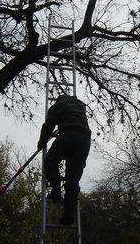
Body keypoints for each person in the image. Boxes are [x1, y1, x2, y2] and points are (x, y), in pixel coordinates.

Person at [37, 94, 91, 225]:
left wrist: (41, 143)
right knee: (73, 179)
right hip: (84, 140)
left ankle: (55, 191)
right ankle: (68, 216)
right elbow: (75, 119)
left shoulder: (56, 106)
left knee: (50, 160)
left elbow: (48, 126)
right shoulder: (80, 105)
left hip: (68, 134)